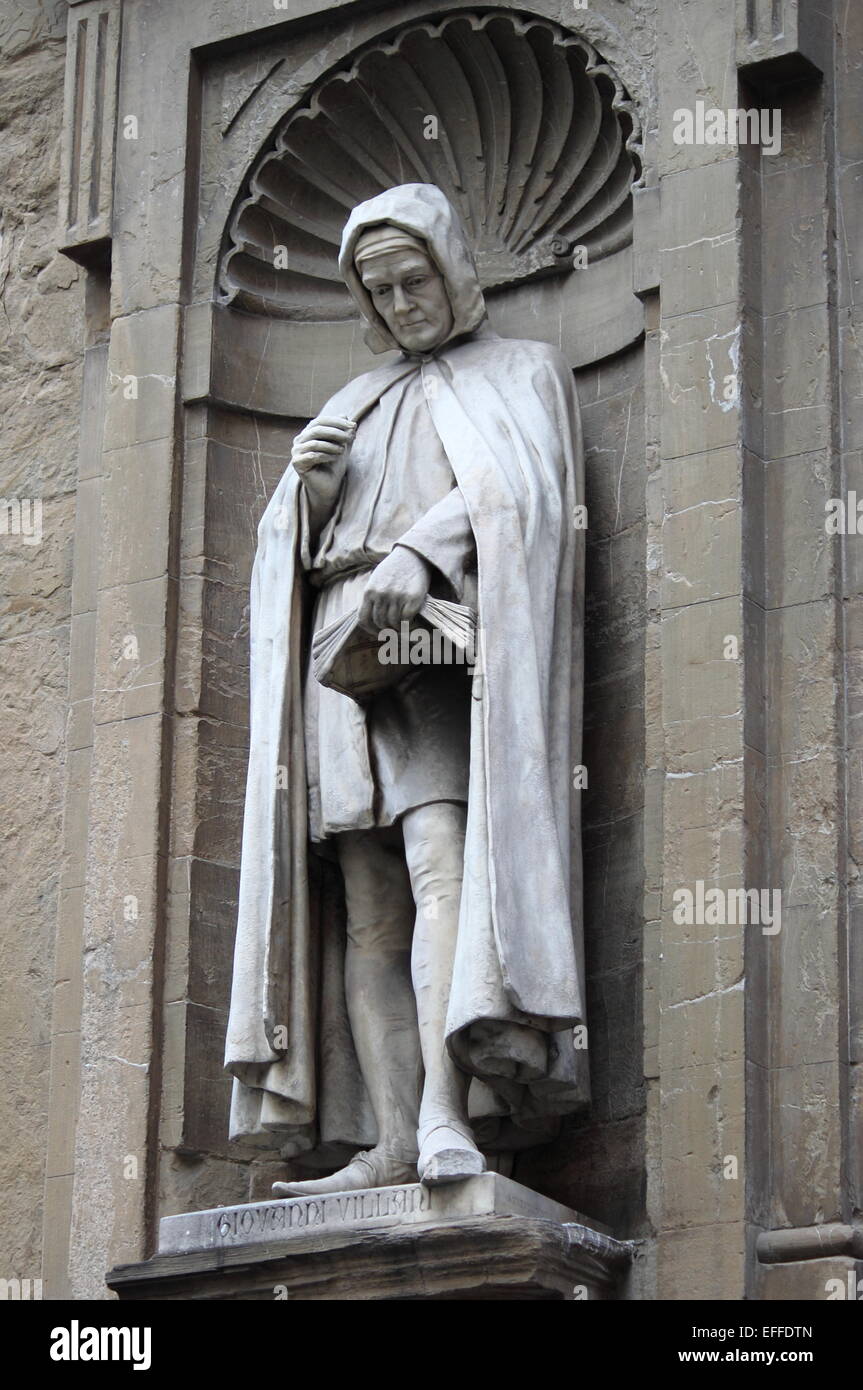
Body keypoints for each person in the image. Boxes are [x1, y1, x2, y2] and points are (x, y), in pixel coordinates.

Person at [225, 183, 588, 1193]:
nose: (397, 302)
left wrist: (421, 554)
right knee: (368, 906)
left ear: (449, 269)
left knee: (440, 862)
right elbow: (300, 552)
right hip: (336, 654)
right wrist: (312, 497)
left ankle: (444, 1116)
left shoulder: (521, 371)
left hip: (430, 649)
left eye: (411, 279)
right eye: (376, 290)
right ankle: (386, 1136)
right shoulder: (355, 399)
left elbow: (528, 500)